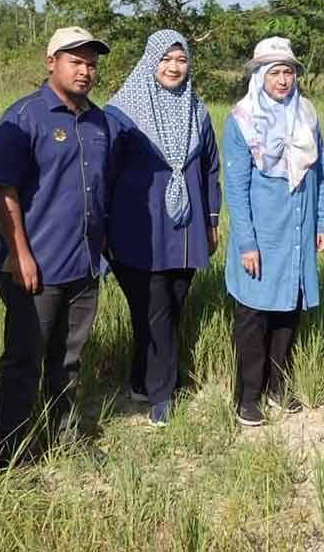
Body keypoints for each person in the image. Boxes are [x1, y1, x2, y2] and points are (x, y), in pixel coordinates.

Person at [0, 26, 111, 465]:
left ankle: (65, 437)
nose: (85, 71)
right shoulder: (23, 118)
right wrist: (20, 256)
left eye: (91, 64)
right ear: (51, 63)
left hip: (84, 264)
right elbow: (5, 192)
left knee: (69, 360)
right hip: (35, 266)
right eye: (75, 62)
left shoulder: (98, 121)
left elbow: (101, 189)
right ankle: (12, 454)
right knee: (24, 361)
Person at [105, 30, 221, 427]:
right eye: (166, 59)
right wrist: (102, 229)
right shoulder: (122, 114)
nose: (174, 67)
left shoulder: (197, 112)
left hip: (187, 230)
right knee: (155, 311)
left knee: (172, 307)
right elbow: (104, 174)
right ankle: (162, 394)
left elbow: (210, 170)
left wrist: (212, 221)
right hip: (140, 230)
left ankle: (141, 380)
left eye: (181, 59)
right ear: (149, 63)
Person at [223, 37, 324, 427]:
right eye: (275, 73)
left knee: (289, 307)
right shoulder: (242, 120)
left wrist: (322, 220)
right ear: (260, 76)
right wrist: (246, 243)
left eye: (288, 72)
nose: (283, 80)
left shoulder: (306, 114)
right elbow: (236, 188)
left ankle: (278, 386)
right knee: (253, 313)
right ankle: (247, 397)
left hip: (298, 228)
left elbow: (321, 171)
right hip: (262, 232)